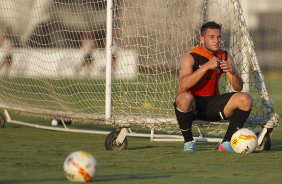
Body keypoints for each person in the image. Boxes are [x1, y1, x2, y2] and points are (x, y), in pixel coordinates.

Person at [174, 21, 252, 153]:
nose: (216, 40)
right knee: (183, 98)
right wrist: (206, 67)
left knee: (245, 99)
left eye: (218, 37)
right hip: (193, 106)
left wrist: (232, 72)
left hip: (213, 105)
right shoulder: (191, 56)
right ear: (202, 39)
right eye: (212, 37)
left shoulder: (225, 56)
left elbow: (238, 87)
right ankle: (188, 142)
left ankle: (226, 143)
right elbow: (184, 84)